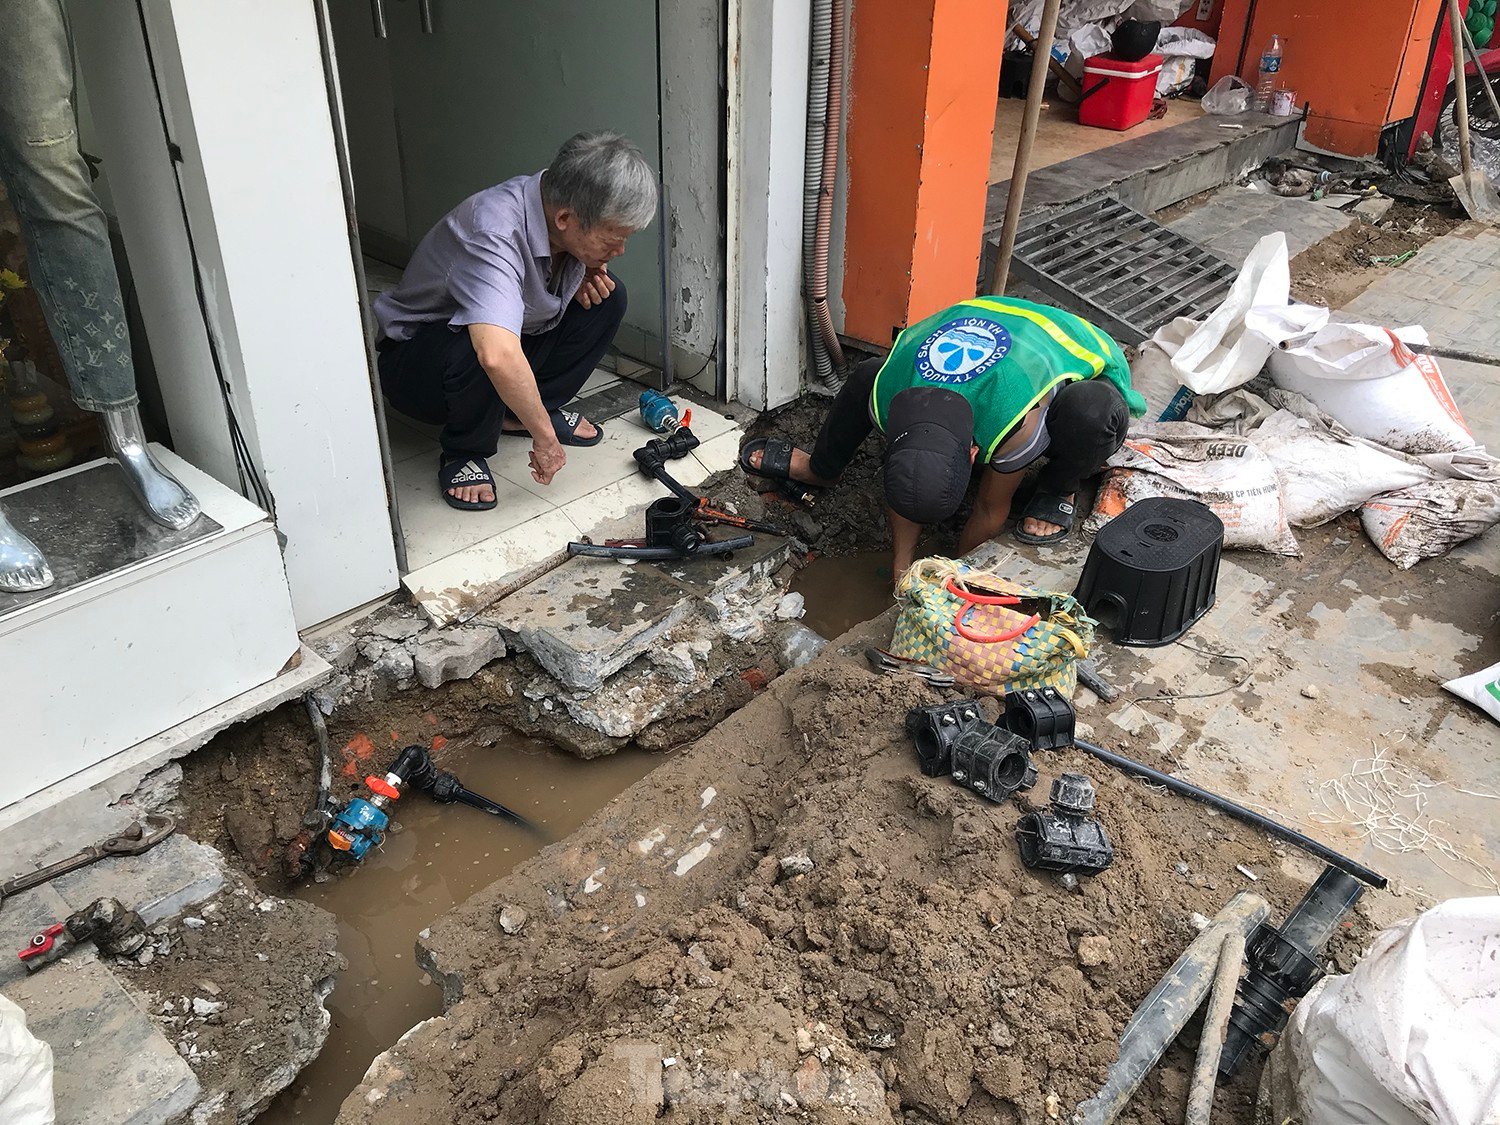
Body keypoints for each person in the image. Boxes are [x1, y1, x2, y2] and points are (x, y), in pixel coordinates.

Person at [741, 296, 1145, 574]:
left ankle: (1059, 490)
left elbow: (989, 508)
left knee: (1091, 414)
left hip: (1064, 341)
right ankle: (821, 468)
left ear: (974, 454)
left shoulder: (1012, 422)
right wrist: (902, 576)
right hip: (984, 316)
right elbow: (906, 479)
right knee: (866, 374)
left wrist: (954, 573)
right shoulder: (890, 394)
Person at [374, 131, 656, 511]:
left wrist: (582, 267)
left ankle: (516, 415)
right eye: (613, 239)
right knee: (481, 345)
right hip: (418, 364)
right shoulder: (493, 230)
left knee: (607, 297)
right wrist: (546, 439)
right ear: (565, 218)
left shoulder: (558, 208)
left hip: (504, 337)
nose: (620, 250)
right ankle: (464, 450)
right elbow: (497, 354)